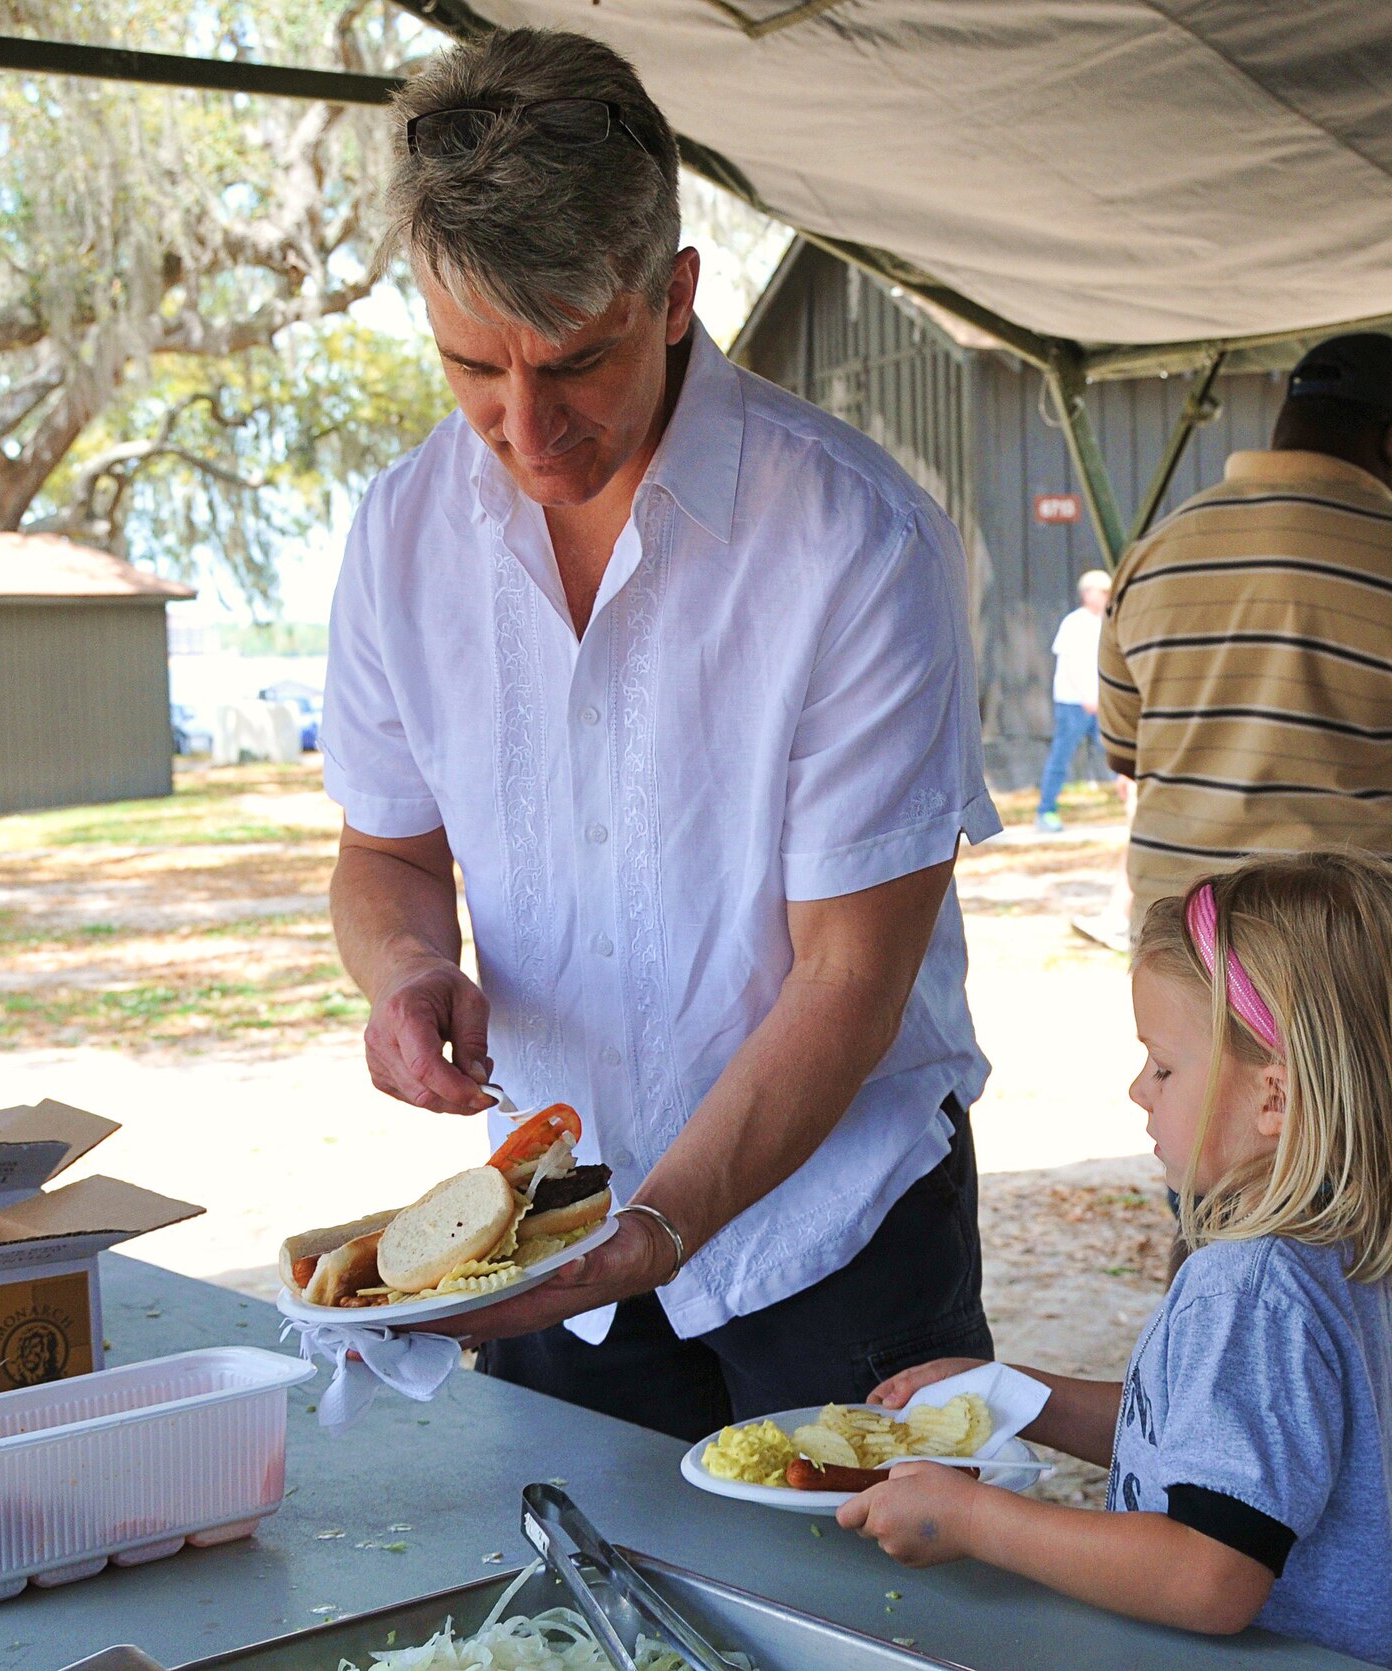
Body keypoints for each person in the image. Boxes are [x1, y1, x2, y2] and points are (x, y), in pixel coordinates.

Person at [322, 28, 999, 1440]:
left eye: (574, 361)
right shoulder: (400, 534)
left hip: (836, 1222)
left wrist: (662, 1224)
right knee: (577, 1634)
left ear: (675, 293)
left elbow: (849, 976)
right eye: (471, 369)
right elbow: (383, 847)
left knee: (870, 1633)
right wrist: (407, 968)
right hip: (553, 1222)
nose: (527, 428)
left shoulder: (851, 538)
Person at [840, 850, 1392, 1671]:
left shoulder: (1250, 1290)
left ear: (1274, 1097)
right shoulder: (1364, 1264)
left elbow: (1210, 1572)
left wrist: (969, 1520)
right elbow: (1212, 1446)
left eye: (1165, 1066)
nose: (1141, 1089)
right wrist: (1014, 1396)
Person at [1099, 331, 1392, 1250]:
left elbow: (1125, 748)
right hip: (1374, 982)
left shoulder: (1158, 555)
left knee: (1224, 1257)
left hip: (1199, 975)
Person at [1035, 568, 1111, 833]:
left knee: (1115, 754)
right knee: (1061, 756)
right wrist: (1086, 696)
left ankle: (1135, 811)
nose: (1104, 597)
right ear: (1087, 593)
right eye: (1100, 592)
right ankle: (1045, 811)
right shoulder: (1074, 622)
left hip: (1101, 703)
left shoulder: (1108, 621)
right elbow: (1069, 664)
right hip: (1073, 703)